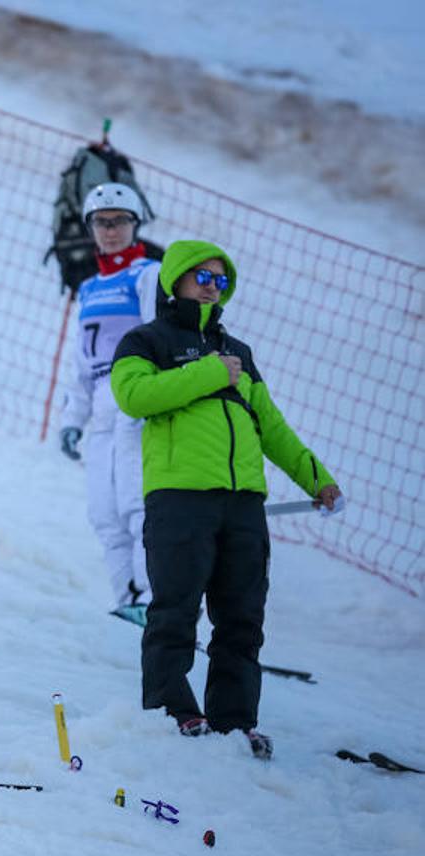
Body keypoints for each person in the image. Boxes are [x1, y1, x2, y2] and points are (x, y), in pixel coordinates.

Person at [111, 240, 344, 758]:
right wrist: (211, 373)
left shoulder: (239, 350)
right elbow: (133, 397)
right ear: (177, 279)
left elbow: (271, 426)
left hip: (242, 504)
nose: (213, 288)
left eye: (221, 281)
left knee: (242, 618)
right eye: (203, 277)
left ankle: (234, 722)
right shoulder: (146, 340)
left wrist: (317, 479)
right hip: (180, 498)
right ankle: (172, 711)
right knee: (174, 610)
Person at [58, 183, 160, 617]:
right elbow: (81, 362)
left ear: (136, 224)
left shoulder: (150, 274)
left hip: (137, 396)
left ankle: (155, 603)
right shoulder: (89, 288)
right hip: (101, 399)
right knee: (104, 512)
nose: (111, 230)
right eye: (102, 221)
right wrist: (72, 418)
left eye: (120, 220)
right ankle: (127, 604)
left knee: (138, 506)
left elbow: (161, 339)